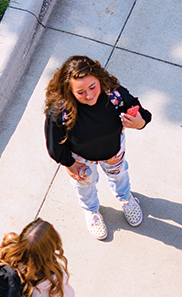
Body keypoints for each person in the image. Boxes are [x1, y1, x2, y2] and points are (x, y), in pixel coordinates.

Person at [44, 55, 151, 240]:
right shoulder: (60, 111)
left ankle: (125, 198)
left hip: (113, 152)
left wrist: (140, 122)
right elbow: (54, 143)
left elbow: (135, 107)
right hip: (80, 158)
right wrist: (69, 163)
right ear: (68, 90)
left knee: (120, 174)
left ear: (100, 79)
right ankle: (91, 211)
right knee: (84, 184)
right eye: (80, 92)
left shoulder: (114, 94)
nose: (89, 94)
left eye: (92, 87)